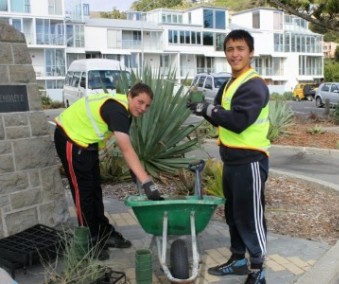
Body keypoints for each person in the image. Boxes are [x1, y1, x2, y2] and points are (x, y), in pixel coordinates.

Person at [187, 29, 270, 284]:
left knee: (250, 216)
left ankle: (258, 270)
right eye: (230, 49)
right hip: (232, 161)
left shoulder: (254, 84)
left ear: (251, 53)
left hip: (251, 161)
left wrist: (209, 109)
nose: (235, 54)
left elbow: (239, 121)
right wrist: (204, 111)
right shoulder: (229, 83)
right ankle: (238, 260)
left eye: (240, 49)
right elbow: (221, 114)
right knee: (233, 214)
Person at [54, 82, 162, 260]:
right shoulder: (117, 111)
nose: (143, 108)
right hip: (70, 139)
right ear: (130, 96)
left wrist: (135, 172)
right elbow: (126, 149)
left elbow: (126, 144)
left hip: (86, 143)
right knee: (83, 194)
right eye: (140, 102)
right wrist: (147, 183)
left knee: (95, 188)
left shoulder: (123, 109)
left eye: (147, 105)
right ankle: (88, 241)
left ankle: (103, 233)